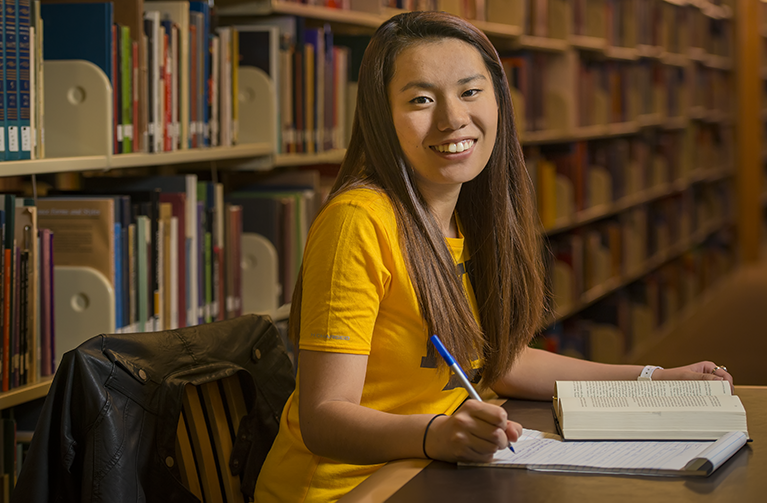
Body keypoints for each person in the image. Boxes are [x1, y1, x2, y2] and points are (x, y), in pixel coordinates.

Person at [254, 11, 733, 502]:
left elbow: (502, 364)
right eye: (421, 99)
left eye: (469, 91)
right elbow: (324, 416)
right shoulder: (359, 220)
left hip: (429, 471)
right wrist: (435, 433)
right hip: (347, 488)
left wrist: (652, 379)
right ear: (381, 116)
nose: (452, 118)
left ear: (499, 101)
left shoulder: (471, 214)